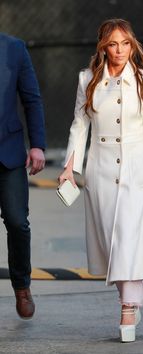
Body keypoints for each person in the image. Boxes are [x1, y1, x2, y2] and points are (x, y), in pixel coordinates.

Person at [59, 18, 143, 342]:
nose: (119, 50)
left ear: (132, 45)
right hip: (100, 168)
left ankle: (127, 307)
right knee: (111, 242)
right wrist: (70, 167)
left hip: (137, 167)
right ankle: (137, 293)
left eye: (125, 43)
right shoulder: (87, 79)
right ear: (102, 47)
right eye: (112, 44)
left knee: (128, 238)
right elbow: (79, 126)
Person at [0, 33, 46, 319]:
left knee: (17, 222)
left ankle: (22, 286)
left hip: (8, 152)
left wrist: (38, 145)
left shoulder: (14, 48)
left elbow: (32, 99)